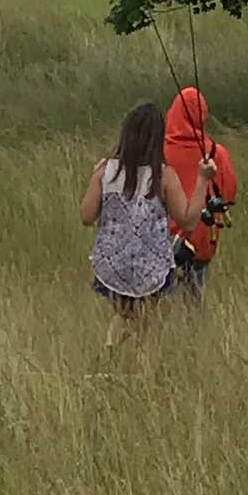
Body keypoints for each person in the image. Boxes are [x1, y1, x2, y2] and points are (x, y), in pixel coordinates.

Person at [80, 100, 193, 345]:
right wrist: (204, 180)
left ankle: (111, 352)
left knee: (126, 315)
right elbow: (187, 220)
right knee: (146, 323)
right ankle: (135, 363)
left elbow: (86, 216)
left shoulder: (106, 171)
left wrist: (95, 177)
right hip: (152, 265)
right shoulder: (164, 176)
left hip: (112, 264)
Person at [161, 82, 237, 306]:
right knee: (193, 302)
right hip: (201, 240)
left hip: (162, 241)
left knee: (160, 307)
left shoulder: (158, 152)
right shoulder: (216, 154)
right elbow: (228, 194)